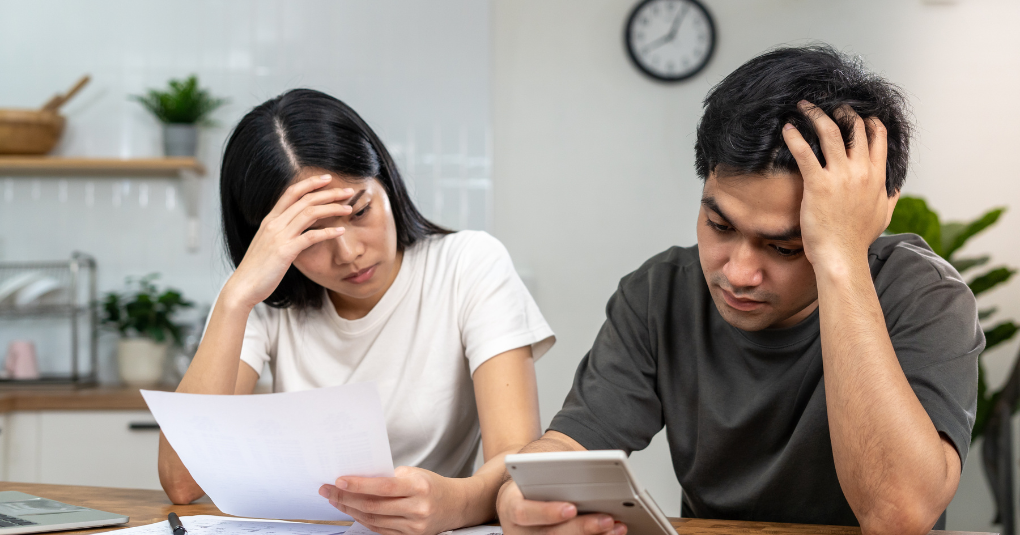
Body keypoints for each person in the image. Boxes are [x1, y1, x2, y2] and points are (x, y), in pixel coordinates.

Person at [496, 45, 982, 535]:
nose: (739, 273)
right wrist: (528, 495)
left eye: (787, 247)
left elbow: (899, 517)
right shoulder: (658, 294)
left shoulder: (924, 296)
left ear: (868, 217)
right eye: (720, 225)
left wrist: (840, 258)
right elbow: (570, 447)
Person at [158, 89, 555, 535]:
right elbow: (182, 482)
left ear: (386, 180)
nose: (348, 253)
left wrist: (455, 503)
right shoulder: (261, 297)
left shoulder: (469, 264)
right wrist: (235, 299)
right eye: (309, 235)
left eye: (359, 209)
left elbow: (517, 460)